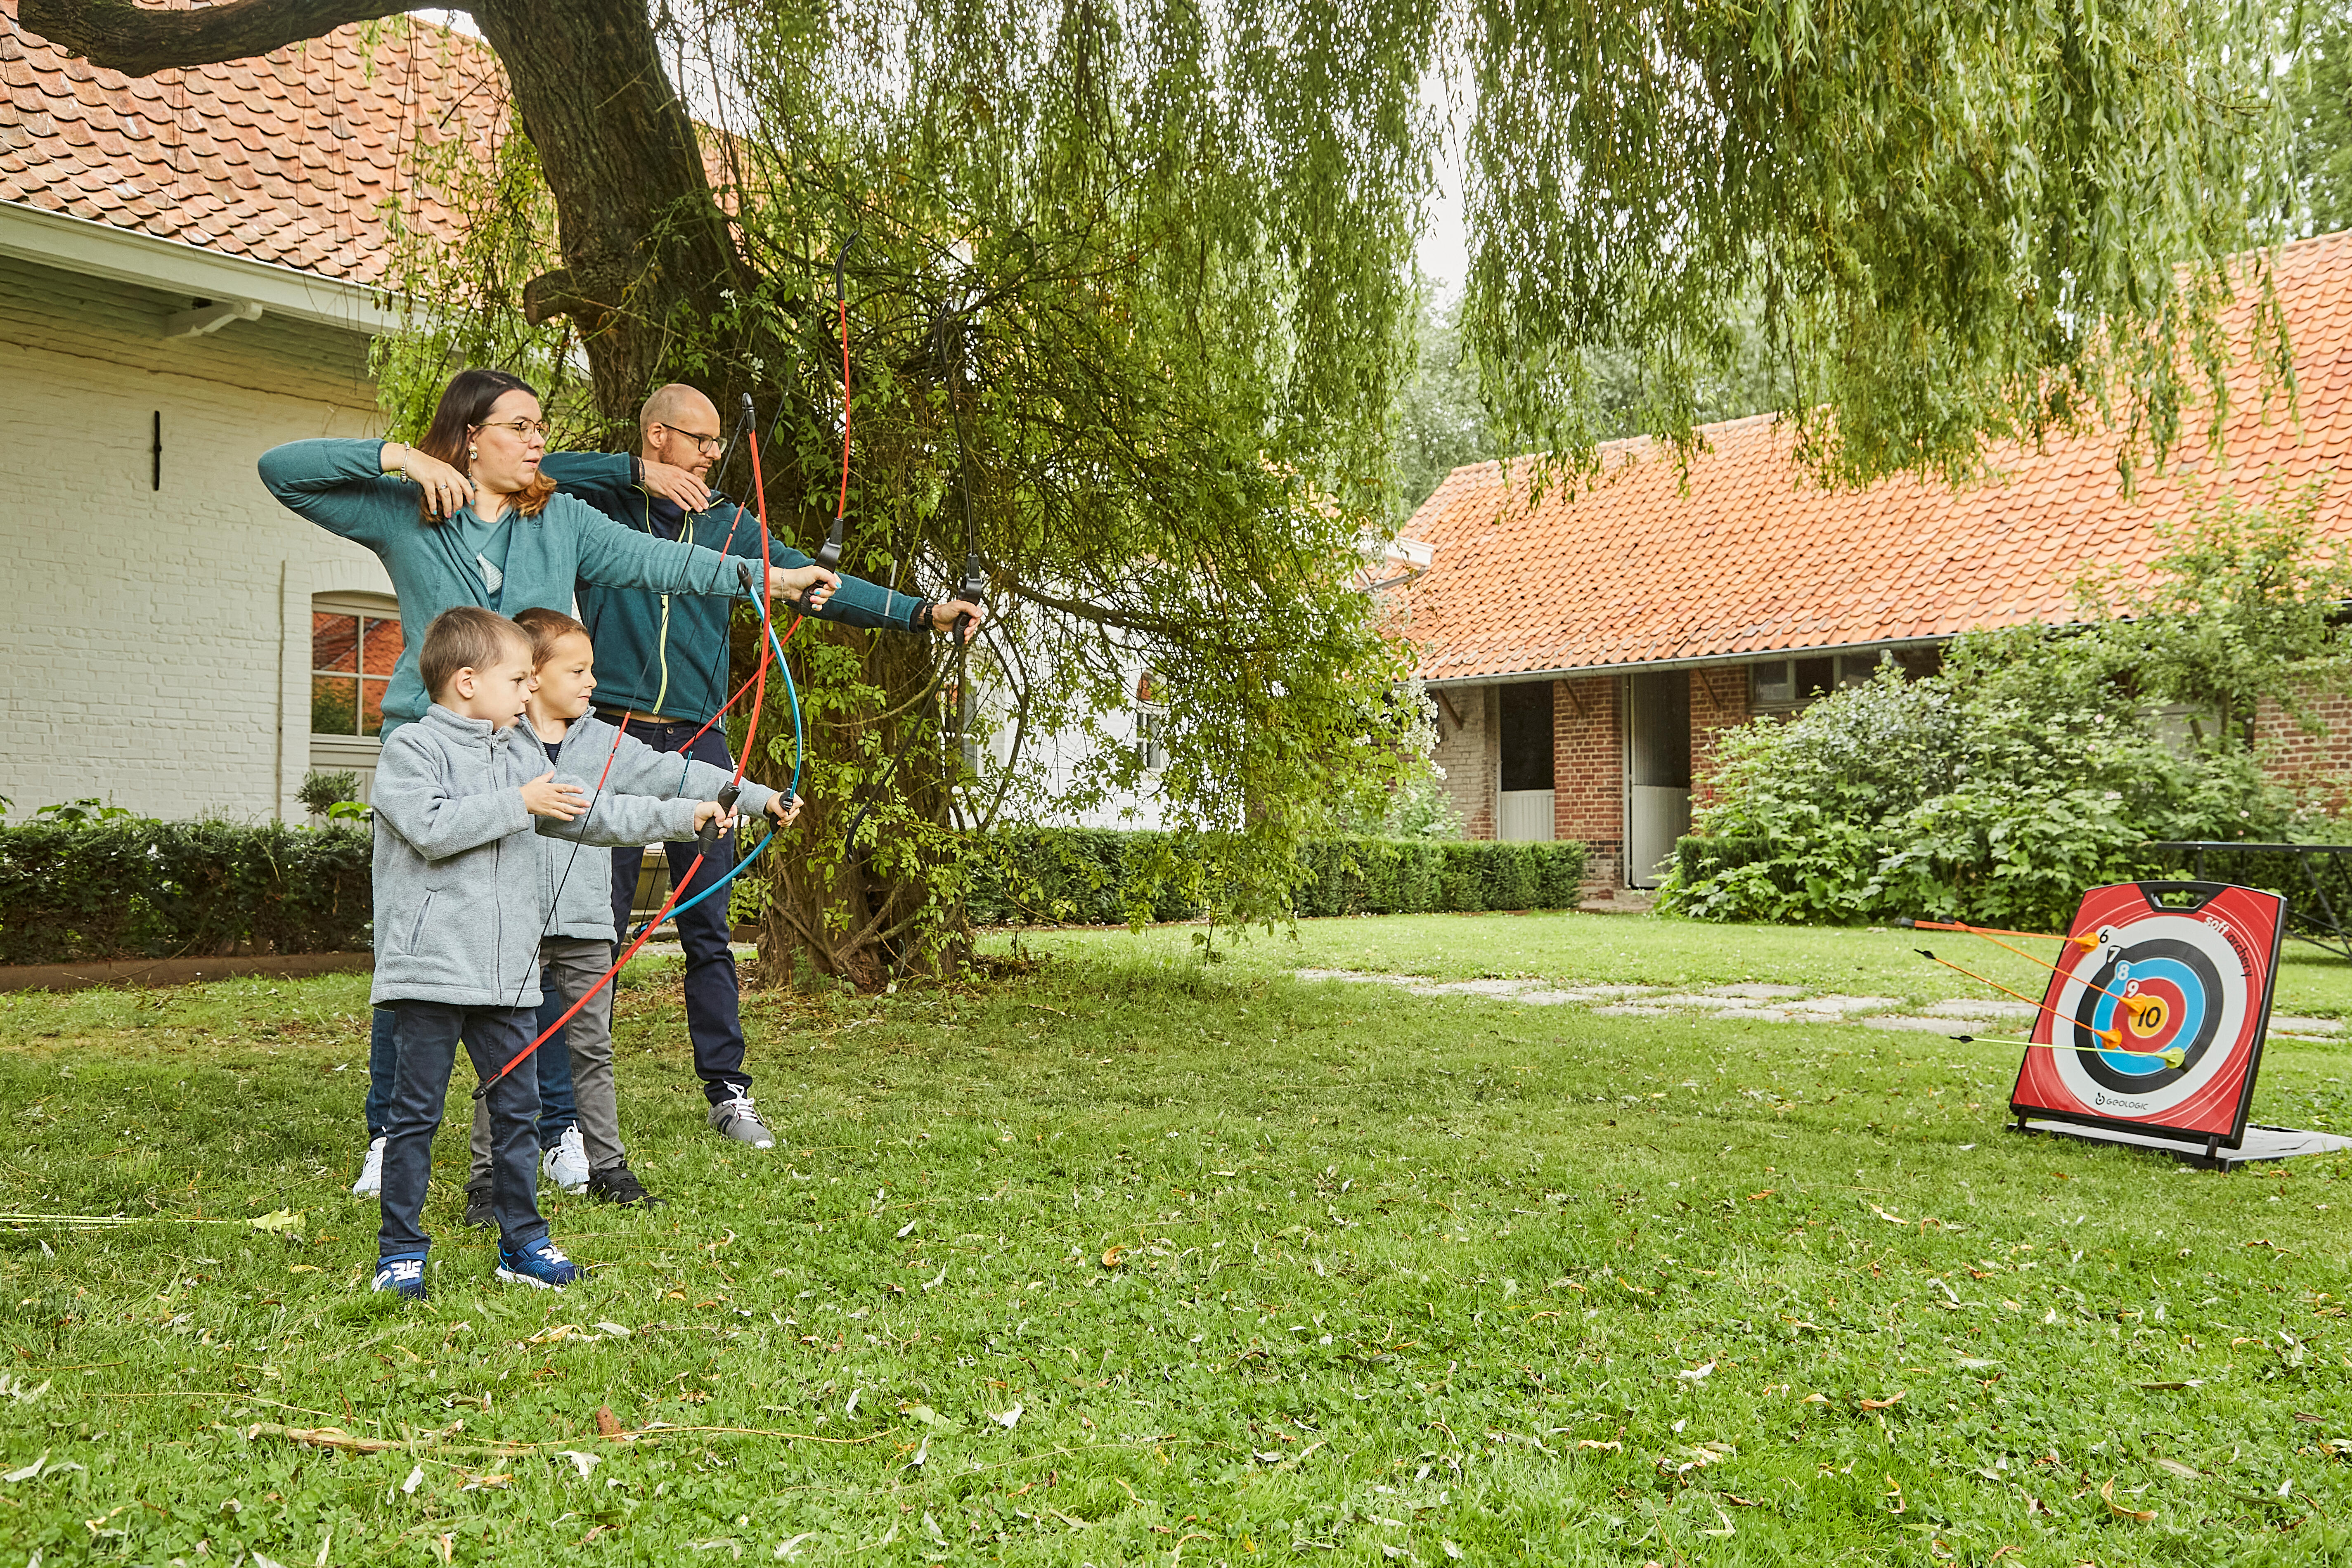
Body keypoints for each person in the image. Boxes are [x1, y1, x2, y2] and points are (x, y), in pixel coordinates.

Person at [257, 367, 841, 1197]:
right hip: (431, 751)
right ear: (467, 437)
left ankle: (558, 1128)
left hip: (527, 756)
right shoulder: (405, 511)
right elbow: (284, 470)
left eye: (540, 427)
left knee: (541, 949)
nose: (540, 442)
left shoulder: (560, 519)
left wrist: (768, 579)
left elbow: (659, 564)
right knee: (412, 946)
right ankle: (391, 1134)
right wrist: (395, 456)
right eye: (521, 427)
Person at [538, 383, 984, 1149]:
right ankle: (565, 1113)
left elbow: (817, 586)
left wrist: (924, 612)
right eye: (700, 441)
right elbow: (531, 468)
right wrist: (631, 475)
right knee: (592, 930)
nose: (715, 455)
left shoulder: (730, 529)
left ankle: (728, 1092)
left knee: (707, 926)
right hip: (605, 735)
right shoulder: (601, 509)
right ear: (655, 438)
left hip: (701, 738)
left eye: (718, 443)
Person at [366, 606, 736, 1299]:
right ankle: (401, 1249)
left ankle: (523, 1240)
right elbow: (430, 826)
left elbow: (589, 812)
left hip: (507, 975)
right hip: (433, 974)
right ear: (468, 683)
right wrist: (519, 801)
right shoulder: (412, 749)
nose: (528, 692)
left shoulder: (516, 753)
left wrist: (681, 816)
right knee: (415, 1116)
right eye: (517, 680)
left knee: (518, 1113)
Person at [461, 608, 803, 1220]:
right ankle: (487, 1182)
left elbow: (681, 774)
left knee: (593, 1048)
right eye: (580, 670)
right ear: (532, 677)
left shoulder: (605, 742)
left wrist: (758, 799)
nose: (595, 681)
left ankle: (608, 1167)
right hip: (514, 921)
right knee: (506, 1053)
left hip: (589, 925)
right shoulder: (493, 740)